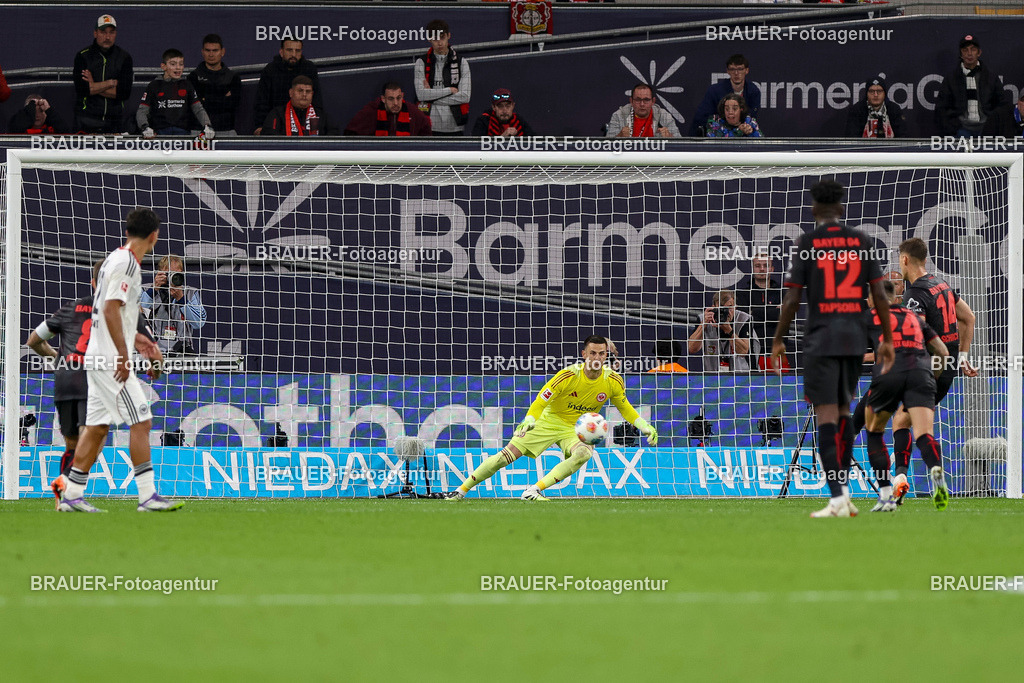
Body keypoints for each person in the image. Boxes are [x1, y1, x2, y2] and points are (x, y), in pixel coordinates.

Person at [771, 179, 895, 518]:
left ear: (813, 209)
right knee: (842, 412)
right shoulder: (861, 240)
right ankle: (845, 496)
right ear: (841, 209)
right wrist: (886, 337)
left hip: (822, 338)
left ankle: (839, 497)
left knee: (826, 414)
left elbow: (793, 298)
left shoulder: (807, 243)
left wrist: (779, 338)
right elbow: (880, 296)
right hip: (855, 339)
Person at [58, 207, 183, 513]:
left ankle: (71, 495)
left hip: (99, 357)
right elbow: (112, 309)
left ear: (127, 232)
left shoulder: (113, 260)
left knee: (98, 427)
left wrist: (138, 340)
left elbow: (107, 312)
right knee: (141, 421)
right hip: (111, 361)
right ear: (154, 237)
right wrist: (124, 356)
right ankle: (147, 496)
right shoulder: (127, 264)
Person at [445, 335, 658, 501]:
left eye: (601, 354)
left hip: (575, 427)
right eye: (592, 353)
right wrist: (530, 419)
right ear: (584, 354)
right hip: (549, 420)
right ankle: (460, 491)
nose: (596, 358)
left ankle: (534, 490)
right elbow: (541, 400)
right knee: (505, 456)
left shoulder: (613, 380)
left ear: (606, 356)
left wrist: (643, 425)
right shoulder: (568, 375)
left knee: (584, 453)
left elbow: (625, 407)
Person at [26, 261, 161, 506]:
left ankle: (63, 497)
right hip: (94, 379)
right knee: (94, 440)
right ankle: (68, 492)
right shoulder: (125, 309)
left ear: (93, 283)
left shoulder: (69, 309)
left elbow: (33, 340)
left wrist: (57, 359)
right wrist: (155, 366)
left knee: (73, 445)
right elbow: (152, 351)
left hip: (65, 380)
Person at [887, 237, 978, 504]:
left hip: (929, 368)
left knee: (902, 422)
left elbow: (919, 339)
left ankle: (901, 478)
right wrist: (962, 357)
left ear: (905, 260)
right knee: (913, 424)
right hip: (947, 368)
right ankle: (920, 482)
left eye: (899, 260)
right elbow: (969, 318)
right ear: (924, 259)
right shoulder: (942, 284)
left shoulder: (915, 293)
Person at [861, 279, 950, 513]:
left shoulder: (870, 316)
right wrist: (933, 377)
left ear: (873, 299)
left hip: (889, 373)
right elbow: (941, 350)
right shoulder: (913, 317)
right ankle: (937, 475)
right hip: (921, 374)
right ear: (895, 297)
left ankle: (886, 497)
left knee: (875, 431)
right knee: (923, 434)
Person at [935, 34, 1007, 137]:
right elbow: (941, 108)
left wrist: (992, 123)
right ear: (961, 54)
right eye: (965, 50)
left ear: (979, 53)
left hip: (986, 130)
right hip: (960, 131)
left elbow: (1002, 105)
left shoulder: (991, 78)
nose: (969, 54)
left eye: (973, 50)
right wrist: (953, 126)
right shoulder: (951, 79)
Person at [72, 14, 134, 133]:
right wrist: (111, 83)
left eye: (111, 32)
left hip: (115, 122)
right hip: (86, 120)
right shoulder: (82, 56)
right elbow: (82, 90)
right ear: (95, 33)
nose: (107, 37)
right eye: (103, 32)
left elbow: (124, 93)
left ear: (115, 34)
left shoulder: (124, 57)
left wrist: (93, 85)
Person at [137, 49, 213, 138]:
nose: (178, 67)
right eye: (173, 64)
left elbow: (198, 109)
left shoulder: (187, 85)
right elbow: (142, 110)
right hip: (160, 134)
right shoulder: (154, 85)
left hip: (183, 133)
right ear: (163, 66)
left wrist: (207, 126)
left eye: (181, 64)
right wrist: (144, 127)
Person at [140, 254, 208, 355]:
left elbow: (199, 323)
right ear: (159, 273)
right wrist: (153, 290)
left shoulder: (190, 292)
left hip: (183, 350)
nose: (172, 278)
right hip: (152, 349)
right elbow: (135, 316)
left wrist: (181, 300)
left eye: (176, 274)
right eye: (169, 274)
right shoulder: (145, 290)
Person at [253, 39, 323, 135]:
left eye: (297, 51)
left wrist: (316, 131)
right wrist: (260, 126)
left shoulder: (309, 68)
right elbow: (262, 101)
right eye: (289, 50)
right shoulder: (270, 70)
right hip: (277, 120)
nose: (293, 54)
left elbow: (316, 100)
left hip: (305, 118)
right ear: (281, 52)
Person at [414, 19, 472, 136]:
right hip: (429, 126)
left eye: (442, 37)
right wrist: (449, 90)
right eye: (435, 39)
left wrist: (431, 96)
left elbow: (465, 96)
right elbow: (420, 95)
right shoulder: (421, 63)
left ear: (448, 36)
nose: (439, 43)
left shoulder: (462, 63)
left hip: (455, 127)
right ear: (429, 39)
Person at [690, 54, 761, 137]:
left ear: (747, 70)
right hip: (718, 133)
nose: (736, 73)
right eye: (732, 69)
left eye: (740, 69)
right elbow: (702, 118)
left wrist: (747, 127)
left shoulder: (753, 91)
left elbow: (752, 118)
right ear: (728, 71)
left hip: (743, 135)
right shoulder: (715, 91)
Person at [687, 289, 758, 372]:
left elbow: (743, 351)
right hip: (713, 376)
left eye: (730, 307)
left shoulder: (744, 319)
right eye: (722, 308)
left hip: (742, 376)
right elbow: (691, 349)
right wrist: (703, 324)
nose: (727, 312)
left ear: (735, 306)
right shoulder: (704, 318)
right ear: (713, 307)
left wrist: (729, 331)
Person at [188, 34, 241, 136]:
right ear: (202, 52)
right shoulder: (193, 77)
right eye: (208, 50)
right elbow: (196, 106)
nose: (211, 54)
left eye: (215, 50)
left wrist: (206, 98)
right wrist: (223, 97)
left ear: (222, 52)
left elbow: (232, 105)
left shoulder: (233, 78)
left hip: (226, 130)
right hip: (199, 131)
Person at [735, 251, 782, 360]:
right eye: (757, 266)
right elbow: (744, 320)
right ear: (753, 269)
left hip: (778, 353)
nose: (762, 269)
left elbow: (785, 317)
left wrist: (754, 311)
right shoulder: (742, 294)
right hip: (749, 353)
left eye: (766, 265)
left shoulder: (782, 293)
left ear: (772, 269)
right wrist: (773, 312)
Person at [343, 82, 432, 136]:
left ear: (403, 96)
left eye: (399, 98)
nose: (396, 103)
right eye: (391, 99)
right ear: (383, 99)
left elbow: (426, 134)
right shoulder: (371, 111)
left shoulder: (412, 111)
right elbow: (350, 133)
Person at [606, 83, 679, 138]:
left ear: (653, 101)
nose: (642, 104)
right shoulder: (619, 115)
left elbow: (681, 145)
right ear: (631, 101)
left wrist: (669, 137)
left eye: (646, 100)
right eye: (638, 100)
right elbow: (606, 146)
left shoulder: (664, 116)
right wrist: (620, 136)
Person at [471, 88, 535, 137]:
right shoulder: (484, 121)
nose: (504, 111)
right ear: (493, 107)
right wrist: (502, 138)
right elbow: (475, 147)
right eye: (500, 106)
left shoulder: (519, 121)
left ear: (513, 106)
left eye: (508, 106)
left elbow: (535, 143)